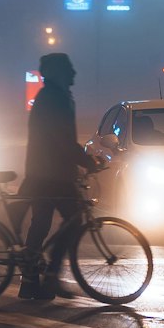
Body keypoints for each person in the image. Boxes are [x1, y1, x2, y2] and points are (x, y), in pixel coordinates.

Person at [18, 52, 99, 301]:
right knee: (73, 221)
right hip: (52, 174)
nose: (74, 72)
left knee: (41, 224)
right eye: (69, 68)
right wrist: (86, 161)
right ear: (58, 72)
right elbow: (62, 139)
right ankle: (51, 277)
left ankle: (31, 282)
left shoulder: (54, 96)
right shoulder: (55, 98)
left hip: (44, 172)